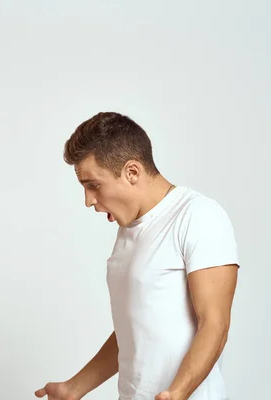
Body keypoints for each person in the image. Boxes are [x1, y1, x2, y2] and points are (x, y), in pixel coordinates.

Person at [35, 112, 240, 400]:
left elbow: (215, 324)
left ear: (132, 172)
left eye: (93, 185)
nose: (88, 200)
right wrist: (74, 388)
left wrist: (178, 393)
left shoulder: (198, 216)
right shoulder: (127, 233)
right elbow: (134, 332)